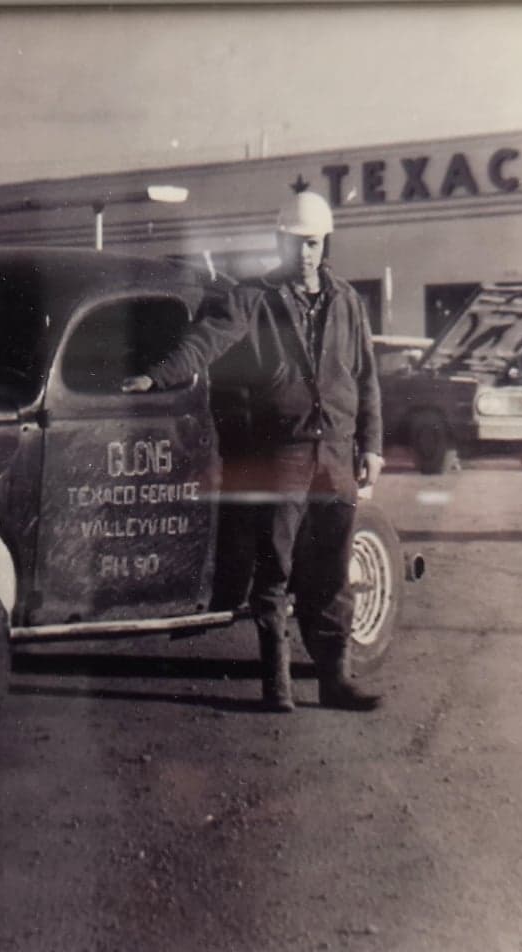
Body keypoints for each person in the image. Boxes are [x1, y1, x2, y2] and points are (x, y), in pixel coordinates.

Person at [120, 191, 384, 713]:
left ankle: (335, 680)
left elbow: (367, 379)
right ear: (279, 242)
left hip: (334, 452)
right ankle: (277, 685)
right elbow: (206, 340)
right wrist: (157, 374)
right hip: (282, 452)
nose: (303, 253)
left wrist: (371, 443)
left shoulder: (348, 302)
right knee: (276, 569)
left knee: (331, 569)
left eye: (311, 243)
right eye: (293, 243)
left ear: (324, 242)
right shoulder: (253, 297)